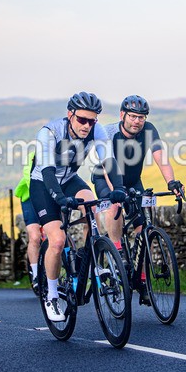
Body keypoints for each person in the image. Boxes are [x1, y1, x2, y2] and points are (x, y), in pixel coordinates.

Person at [30, 92, 127, 322]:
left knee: (91, 208)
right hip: (44, 183)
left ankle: (87, 258)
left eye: (91, 121)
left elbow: (109, 161)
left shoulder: (97, 130)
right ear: (70, 115)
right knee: (57, 240)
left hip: (70, 178)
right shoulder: (49, 132)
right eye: (82, 120)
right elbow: (47, 172)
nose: (86, 126)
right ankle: (51, 295)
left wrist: (119, 189)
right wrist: (60, 198)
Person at [92, 95, 185, 304]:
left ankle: (142, 281)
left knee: (143, 229)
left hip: (134, 181)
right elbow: (107, 166)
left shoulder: (149, 130)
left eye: (141, 117)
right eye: (133, 116)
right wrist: (116, 191)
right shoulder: (109, 133)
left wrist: (172, 182)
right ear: (122, 115)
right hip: (105, 178)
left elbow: (161, 158)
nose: (137, 121)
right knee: (115, 205)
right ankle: (117, 251)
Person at [14, 150, 42, 290]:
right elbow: (29, 179)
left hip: (51, 196)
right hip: (30, 197)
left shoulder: (62, 156)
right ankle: (36, 274)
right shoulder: (33, 156)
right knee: (35, 236)